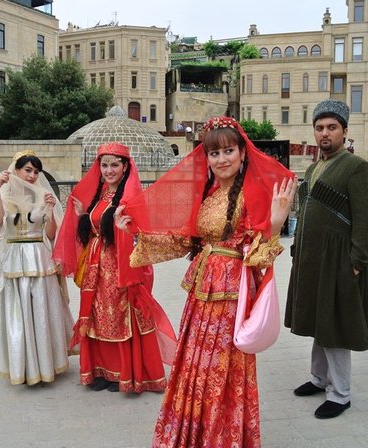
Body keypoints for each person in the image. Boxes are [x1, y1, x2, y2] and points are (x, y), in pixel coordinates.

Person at [116, 116, 296, 447]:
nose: (222, 159)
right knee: (195, 366)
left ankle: (220, 436)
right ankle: (193, 433)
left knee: (221, 369)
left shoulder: (252, 193)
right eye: (214, 153)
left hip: (230, 294)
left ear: (242, 153)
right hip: (201, 294)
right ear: (206, 158)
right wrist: (136, 228)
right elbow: (186, 241)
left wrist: (274, 221)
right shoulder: (209, 194)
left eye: (228, 150)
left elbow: (258, 255)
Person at [52, 142, 176, 393]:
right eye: (104, 165)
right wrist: (83, 216)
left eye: (114, 165)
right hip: (97, 268)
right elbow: (97, 229)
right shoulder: (101, 195)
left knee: (119, 316)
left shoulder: (129, 198)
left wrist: (124, 231)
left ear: (125, 167)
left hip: (119, 266)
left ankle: (125, 373)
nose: (109, 170)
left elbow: (139, 235)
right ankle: (101, 370)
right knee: (98, 316)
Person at [285, 99, 368, 419]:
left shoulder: (356, 167)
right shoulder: (313, 167)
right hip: (312, 260)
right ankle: (318, 378)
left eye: (331, 128)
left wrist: (356, 261)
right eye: (320, 127)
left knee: (335, 326)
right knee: (318, 321)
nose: (325, 133)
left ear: (344, 131)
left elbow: (366, 220)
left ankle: (340, 394)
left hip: (340, 261)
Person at [0, 150, 74, 385]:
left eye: (35, 171)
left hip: (39, 256)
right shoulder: (5, 194)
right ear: (16, 170)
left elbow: (51, 235)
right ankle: (23, 366)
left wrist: (51, 212)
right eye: (27, 170)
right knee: (17, 311)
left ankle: (46, 364)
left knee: (42, 308)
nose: (32, 175)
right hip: (14, 257)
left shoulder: (43, 196)